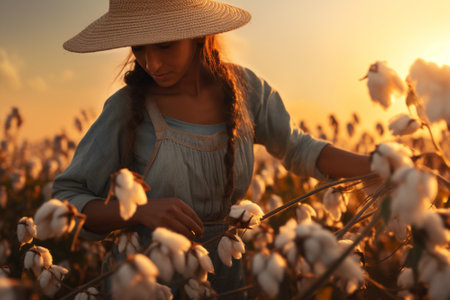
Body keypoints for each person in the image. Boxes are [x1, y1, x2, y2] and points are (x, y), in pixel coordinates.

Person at [53, 0, 372, 297]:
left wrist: (381, 166)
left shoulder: (245, 90)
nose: (152, 63)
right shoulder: (125, 109)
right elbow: (66, 198)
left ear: (197, 35)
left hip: (223, 276)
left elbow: (298, 148)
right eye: (139, 48)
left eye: (165, 44)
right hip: (141, 282)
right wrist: (137, 211)